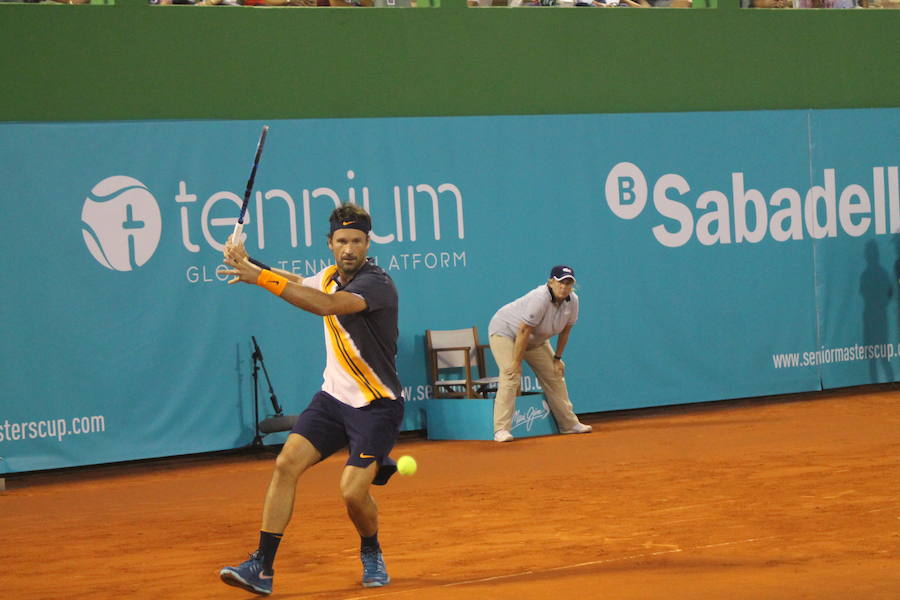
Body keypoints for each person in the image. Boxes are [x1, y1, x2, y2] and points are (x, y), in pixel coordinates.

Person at [218, 203, 404, 595]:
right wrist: (247, 261)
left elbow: (326, 305)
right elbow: (303, 282)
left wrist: (259, 278)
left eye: (356, 241)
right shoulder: (330, 276)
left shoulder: (376, 284)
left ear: (368, 243)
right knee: (286, 462)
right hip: (333, 400)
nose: (349, 249)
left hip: (377, 407)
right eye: (341, 241)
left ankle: (371, 548)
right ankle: (262, 568)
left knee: (352, 492)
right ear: (330, 244)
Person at [488, 265, 592, 442]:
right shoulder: (540, 298)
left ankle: (568, 425)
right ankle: (501, 430)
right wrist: (516, 362)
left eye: (568, 283)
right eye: (560, 283)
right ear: (551, 282)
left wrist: (557, 358)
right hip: (506, 332)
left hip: (535, 340)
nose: (564, 287)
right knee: (510, 374)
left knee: (554, 372)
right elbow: (523, 331)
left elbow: (565, 331)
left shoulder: (573, 301)